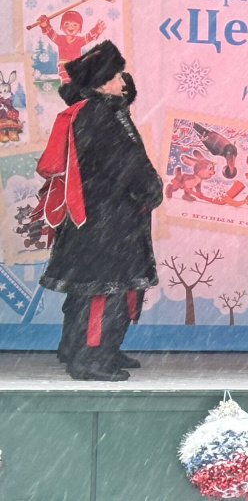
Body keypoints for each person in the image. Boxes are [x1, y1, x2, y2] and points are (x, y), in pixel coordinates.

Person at [37, 41, 162, 381]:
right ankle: (91, 357)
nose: (124, 80)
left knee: (91, 286)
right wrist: (150, 187)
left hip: (97, 216)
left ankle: (84, 348)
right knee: (104, 289)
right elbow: (124, 163)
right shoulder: (101, 115)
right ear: (103, 81)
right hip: (107, 218)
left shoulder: (93, 110)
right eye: (118, 75)